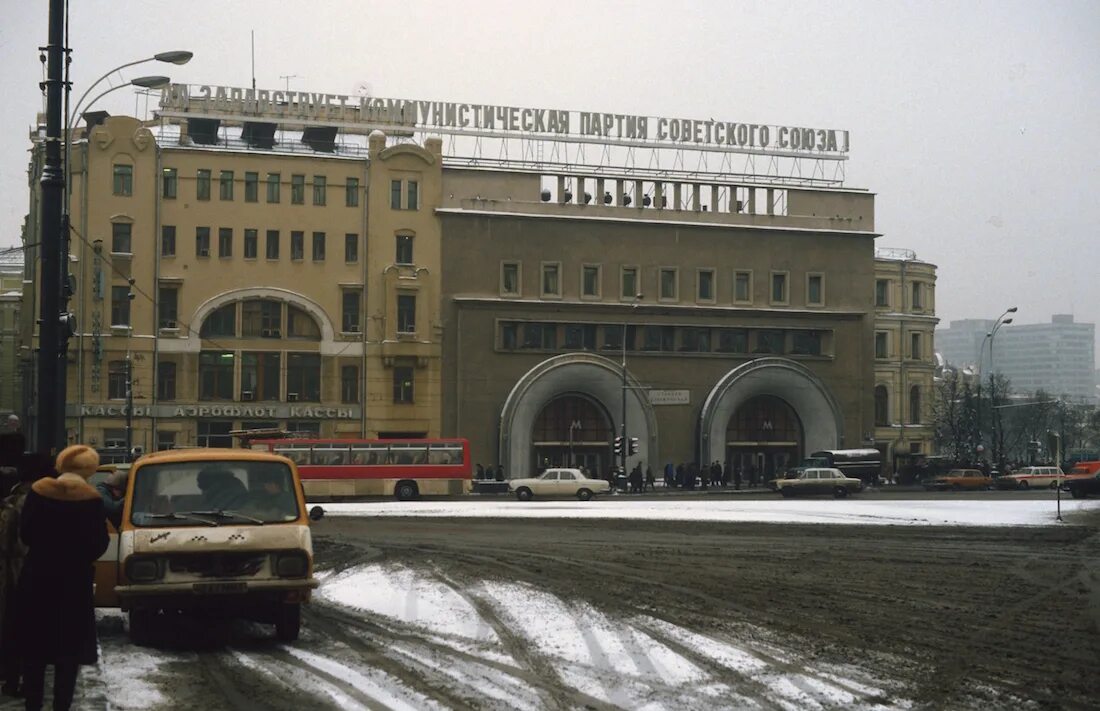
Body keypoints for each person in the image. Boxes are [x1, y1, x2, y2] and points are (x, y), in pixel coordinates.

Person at [15, 445, 109, 711]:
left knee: (34, 650)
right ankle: (61, 705)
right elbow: (98, 544)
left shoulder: (39, 491)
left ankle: (32, 704)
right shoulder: (91, 499)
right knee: (68, 653)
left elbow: (26, 534)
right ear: (90, 470)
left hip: (37, 578)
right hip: (73, 583)